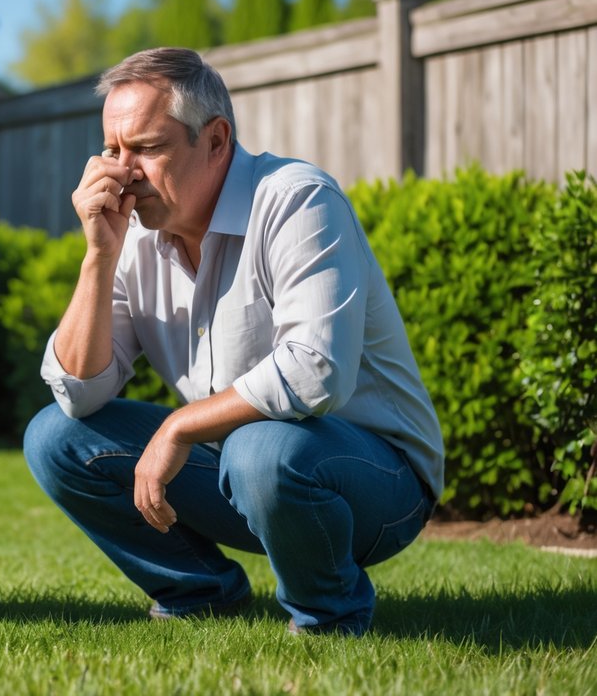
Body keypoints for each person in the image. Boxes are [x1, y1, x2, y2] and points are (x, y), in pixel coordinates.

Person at [23, 47, 444, 636]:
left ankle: (329, 615)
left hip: (378, 483)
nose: (122, 171)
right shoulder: (135, 238)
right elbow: (78, 393)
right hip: (242, 470)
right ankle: (201, 590)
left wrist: (179, 425)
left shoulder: (296, 199)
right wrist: (98, 255)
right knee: (55, 437)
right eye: (112, 150)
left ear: (216, 140)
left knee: (261, 450)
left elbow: (315, 370)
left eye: (146, 147)